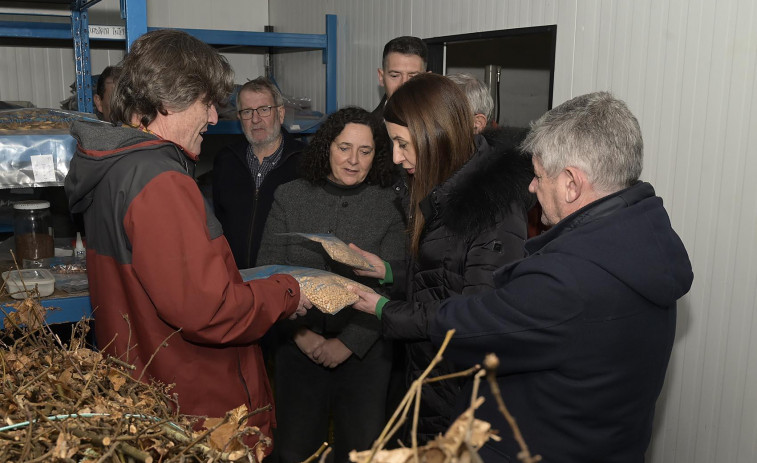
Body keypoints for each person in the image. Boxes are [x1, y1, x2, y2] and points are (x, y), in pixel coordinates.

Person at [64, 29, 311, 454]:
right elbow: (210, 312)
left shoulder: (114, 172)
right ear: (167, 101)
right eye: (207, 103)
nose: (215, 119)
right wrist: (288, 290)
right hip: (198, 414)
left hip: (150, 400)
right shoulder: (160, 182)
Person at [427, 92, 694, 462]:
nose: (532, 188)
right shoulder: (648, 239)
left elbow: (459, 332)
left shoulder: (568, 277)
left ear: (571, 183)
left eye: (537, 176)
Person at [349, 73, 535, 444]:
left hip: (463, 392)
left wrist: (385, 311)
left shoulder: (493, 208)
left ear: (436, 135)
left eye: (403, 144)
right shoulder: (445, 185)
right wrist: (385, 271)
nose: (398, 158)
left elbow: (476, 314)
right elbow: (442, 275)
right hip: (432, 378)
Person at [256, 107, 405, 463]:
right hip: (297, 348)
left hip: (366, 354)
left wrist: (348, 344)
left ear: (377, 155)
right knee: (294, 450)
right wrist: (301, 336)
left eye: (365, 151)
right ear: (327, 148)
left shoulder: (389, 205)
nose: (353, 160)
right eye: (344, 148)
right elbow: (268, 271)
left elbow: (391, 281)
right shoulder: (290, 196)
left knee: (360, 452)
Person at [213, 76, 306, 269]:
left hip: (285, 282)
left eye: (264, 109)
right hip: (235, 280)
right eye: (247, 111)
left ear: (280, 113)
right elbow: (218, 224)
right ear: (239, 118)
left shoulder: (305, 162)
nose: (255, 119)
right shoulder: (226, 161)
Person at [372, 35, 428, 119]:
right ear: (381, 77)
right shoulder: (366, 128)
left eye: (413, 76)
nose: (403, 84)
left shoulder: (443, 126)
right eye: (395, 76)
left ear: (427, 80)